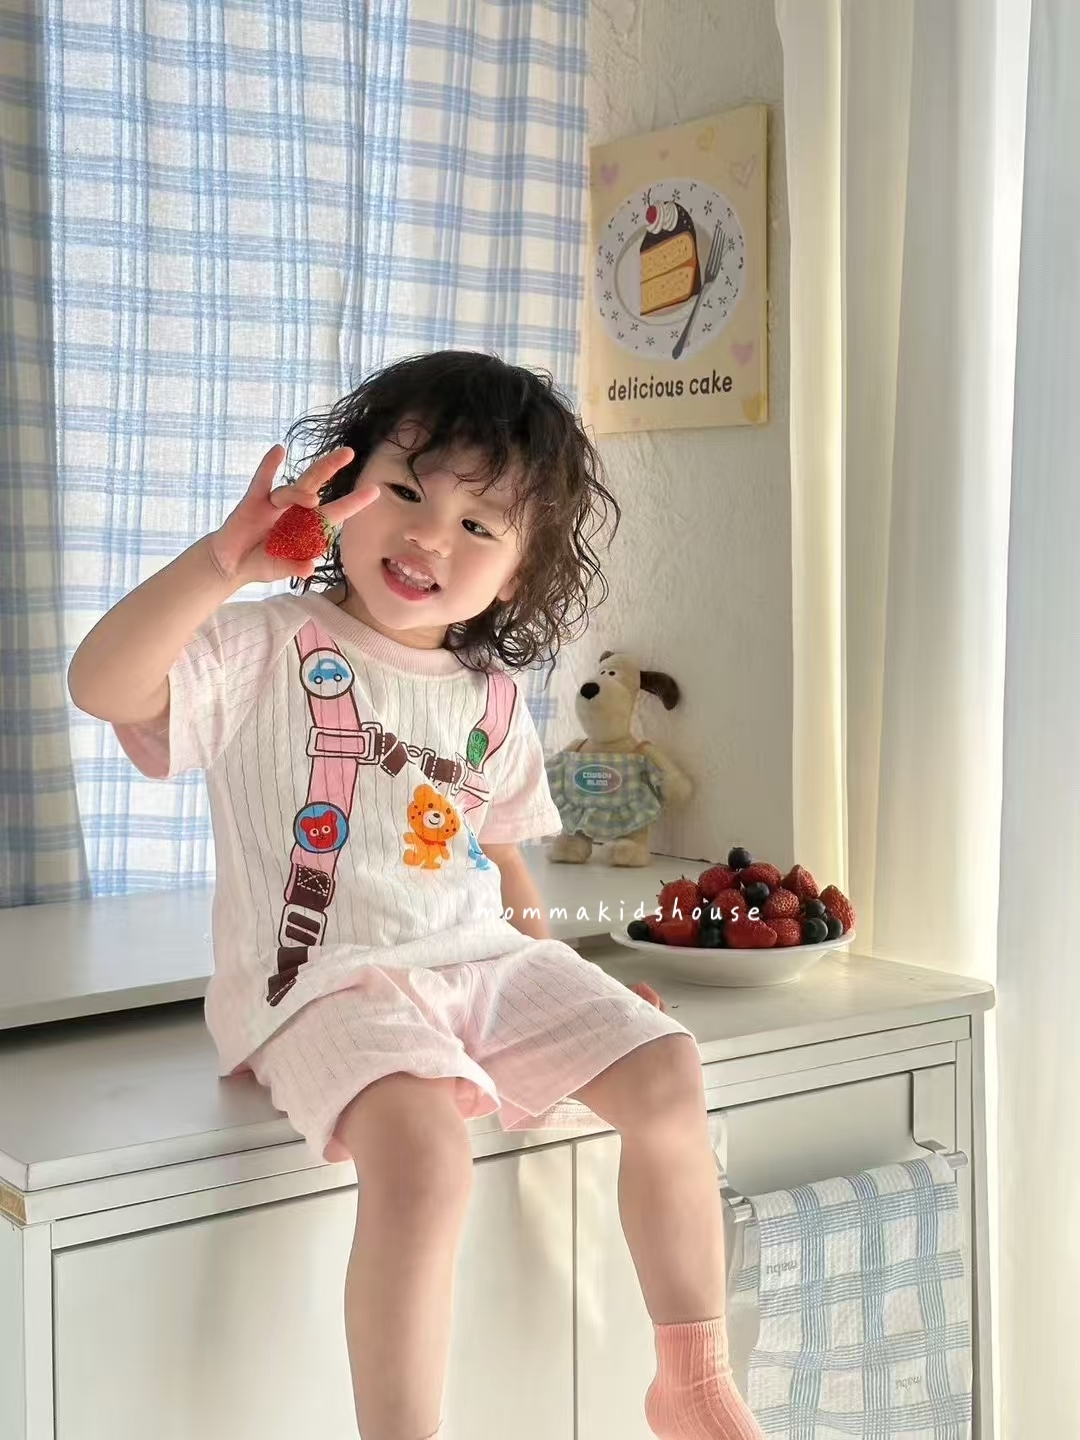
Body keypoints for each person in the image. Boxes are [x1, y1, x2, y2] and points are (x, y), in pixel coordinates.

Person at [68, 350, 763, 1440]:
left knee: (669, 1068)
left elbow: (502, 865)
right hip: (321, 985)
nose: (431, 537)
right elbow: (101, 685)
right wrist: (220, 564)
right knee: (427, 1154)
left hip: (480, 963)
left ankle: (692, 1379)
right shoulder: (264, 645)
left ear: (520, 573)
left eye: (478, 524)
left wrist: (578, 998)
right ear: (343, 492)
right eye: (404, 491)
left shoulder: (493, 699)